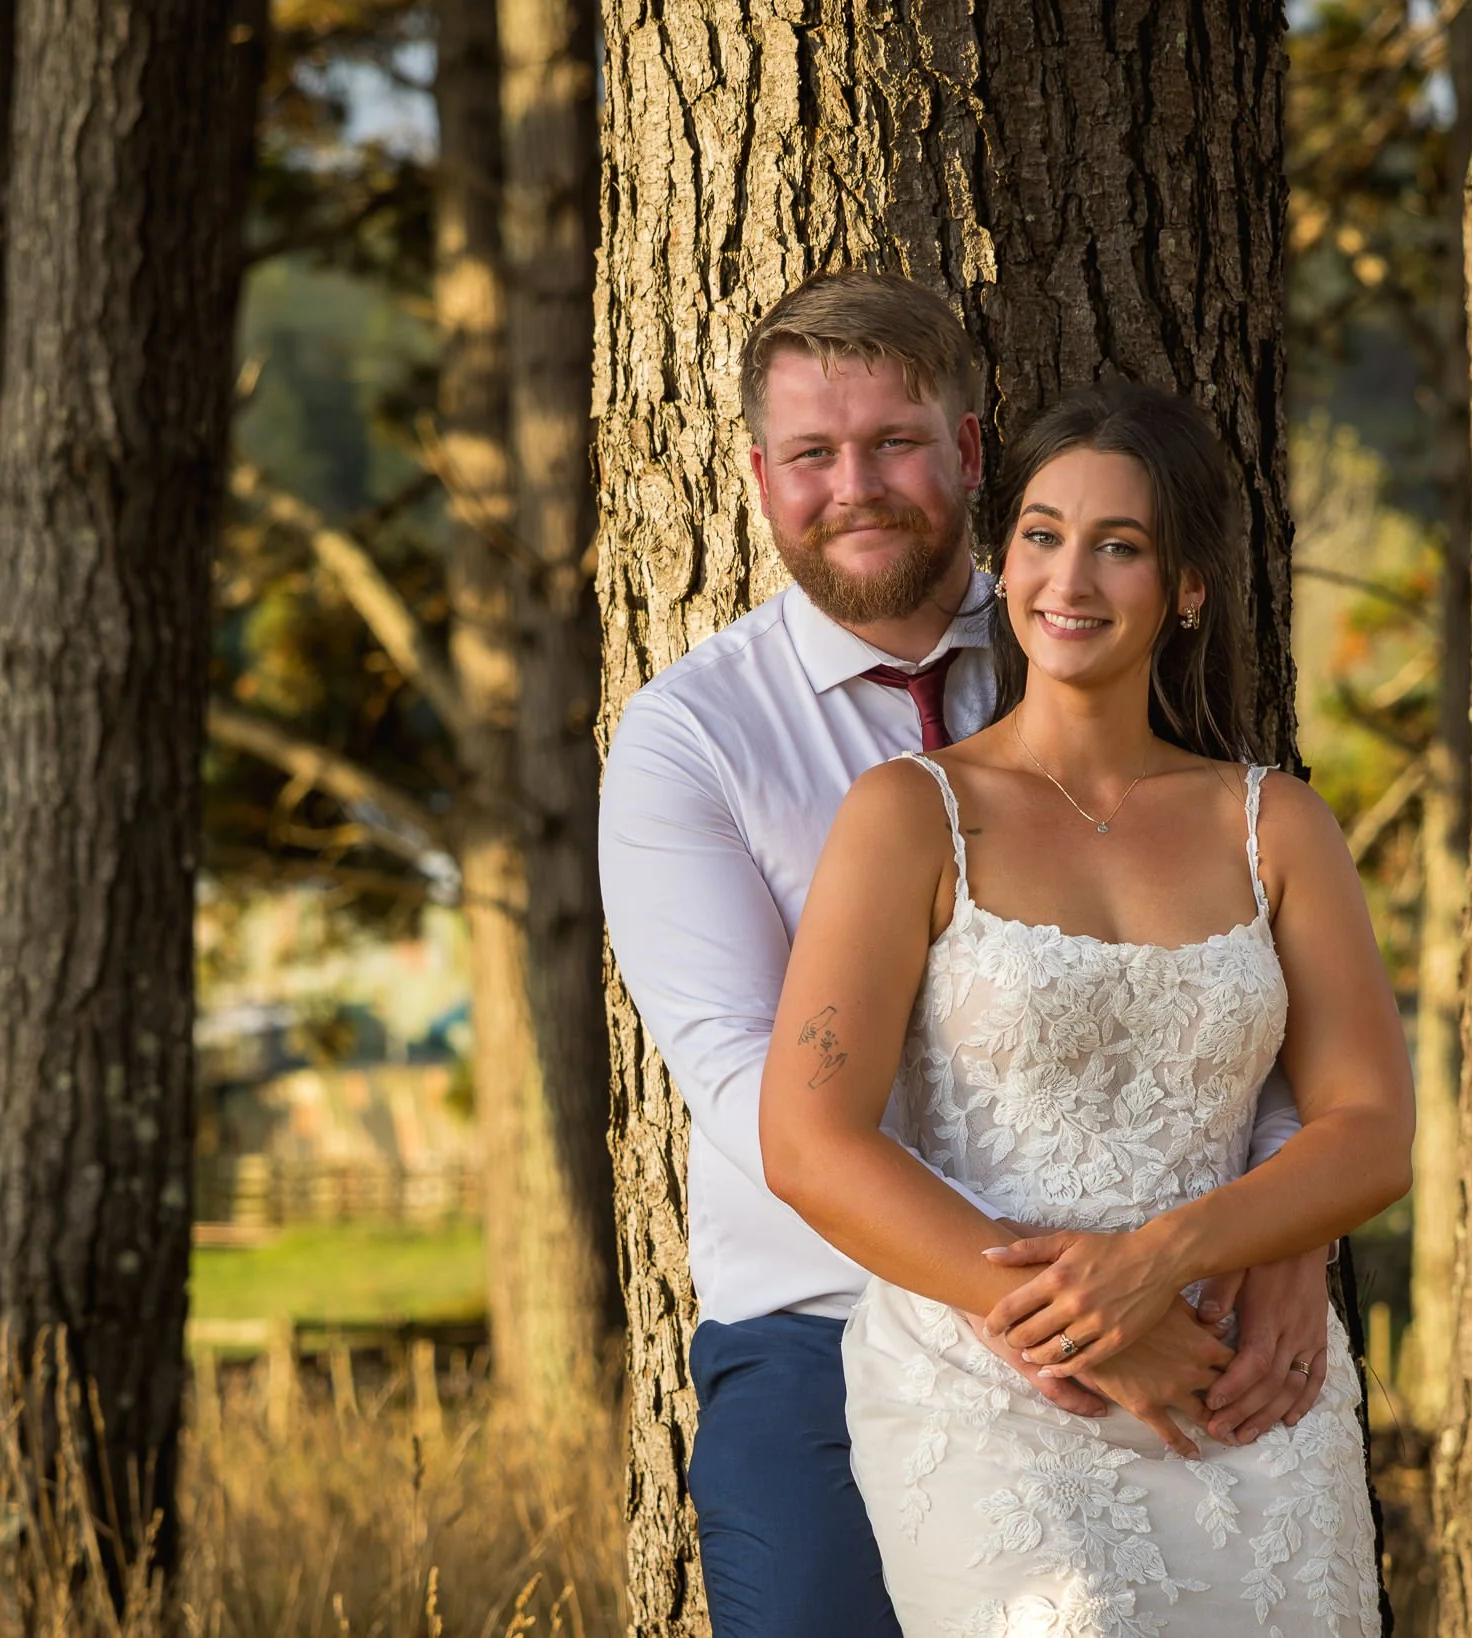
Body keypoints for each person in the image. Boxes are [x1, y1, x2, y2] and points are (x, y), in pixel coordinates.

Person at [600, 272, 1341, 1638]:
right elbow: (754, 1086)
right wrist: (1074, 1308)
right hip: (822, 1318)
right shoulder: (690, 738)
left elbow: (1244, 994)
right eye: (813, 455)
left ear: (971, 451)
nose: (855, 486)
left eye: (892, 443)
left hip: (1188, 1304)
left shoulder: (1086, 633)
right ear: (759, 476)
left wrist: (1290, 1228)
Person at [757, 382, 1413, 1635]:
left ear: (1188, 589)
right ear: (1002, 562)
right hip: (993, 1383)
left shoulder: (1275, 822)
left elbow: (1368, 1127)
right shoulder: (909, 815)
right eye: (1043, 534)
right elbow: (809, 1142)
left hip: (1241, 1380)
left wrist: (1169, 1260)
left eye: (1119, 545)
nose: (1070, 577)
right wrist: (1081, 1326)